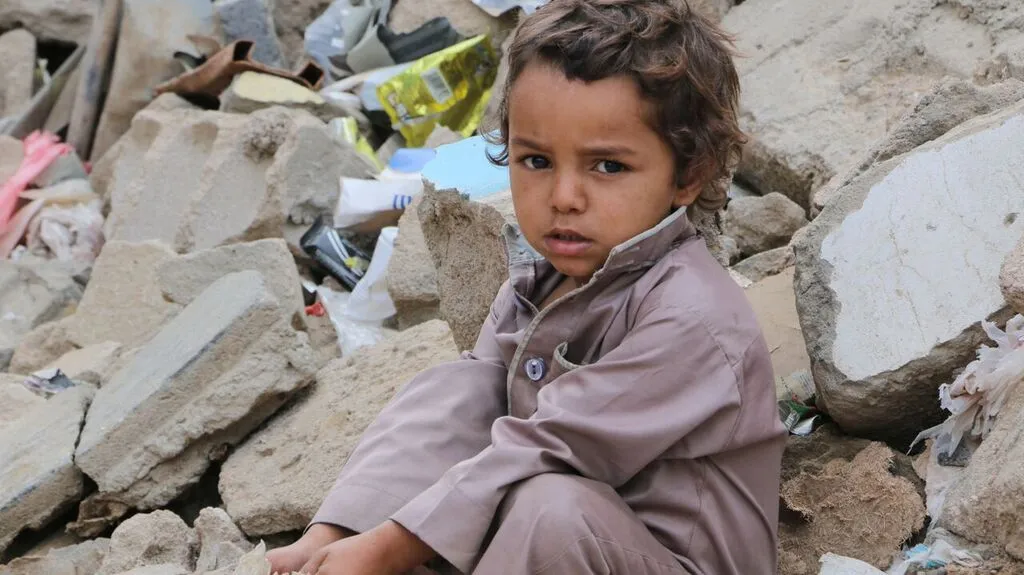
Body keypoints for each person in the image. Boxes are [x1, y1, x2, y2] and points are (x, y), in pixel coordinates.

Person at [268, 0, 787, 573]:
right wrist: (354, 532)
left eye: (607, 167)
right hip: (547, 544)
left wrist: (388, 548)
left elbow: (552, 447)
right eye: (536, 160)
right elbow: (473, 419)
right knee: (457, 387)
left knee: (551, 508)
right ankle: (330, 539)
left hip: (662, 560)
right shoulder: (543, 279)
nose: (564, 196)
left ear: (687, 174)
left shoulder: (691, 317)